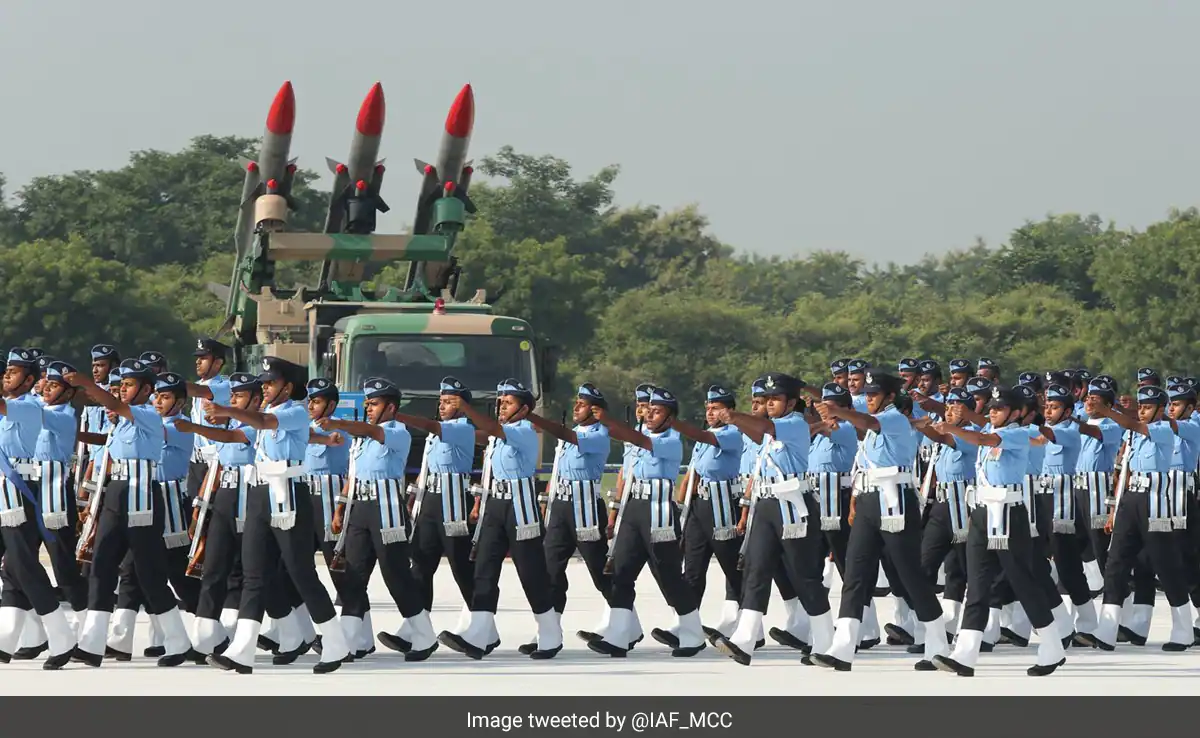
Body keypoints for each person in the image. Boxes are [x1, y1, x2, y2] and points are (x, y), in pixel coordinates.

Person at [203, 356, 352, 674]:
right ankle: (241, 651)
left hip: (288, 494)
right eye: (264, 383)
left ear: (288, 387)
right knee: (254, 574)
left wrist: (228, 411)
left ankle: (336, 641)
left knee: (301, 573)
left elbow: (266, 425)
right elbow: (248, 432)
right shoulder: (266, 414)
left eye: (270, 383)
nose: (265, 388)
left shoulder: (295, 412)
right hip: (259, 493)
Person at [811, 371, 948, 672]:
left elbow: (869, 422)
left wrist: (837, 410)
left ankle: (938, 641)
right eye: (868, 393)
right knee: (856, 571)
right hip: (869, 500)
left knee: (909, 573)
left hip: (895, 500)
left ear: (888, 397)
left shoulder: (893, 418)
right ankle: (843, 646)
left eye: (874, 393)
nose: (869, 397)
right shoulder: (875, 426)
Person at [65, 358, 195, 667]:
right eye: (121, 385)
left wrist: (85, 384)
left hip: (142, 497)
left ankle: (178, 641)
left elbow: (113, 404)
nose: (122, 390)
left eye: (129, 385)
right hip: (116, 492)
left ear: (147, 389)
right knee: (101, 566)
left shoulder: (148, 415)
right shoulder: (122, 420)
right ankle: (92, 643)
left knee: (150, 575)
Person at [712, 373, 833, 666]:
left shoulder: (794, 423)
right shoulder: (769, 429)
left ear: (791, 402)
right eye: (766, 400)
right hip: (765, 504)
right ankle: (745, 639)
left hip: (791, 504)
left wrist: (735, 416)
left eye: (775, 399)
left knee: (803, 575)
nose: (769, 404)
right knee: (756, 569)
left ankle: (827, 641)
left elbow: (765, 427)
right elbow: (760, 432)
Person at [438, 379, 560, 660]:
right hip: (495, 505)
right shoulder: (497, 436)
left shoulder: (525, 432)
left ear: (525, 409)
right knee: (484, 569)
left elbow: (492, 430)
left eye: (509, 401)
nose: (501, 405)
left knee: (531, 574)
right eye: (500, 400)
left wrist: (465, 407)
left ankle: (550, 633)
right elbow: (485, 438)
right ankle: (479, 634)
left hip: (520, 508)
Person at [318, 377, 439, 661]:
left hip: (387, 510)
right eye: (367, 404)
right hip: (359, 508)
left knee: (396, 575)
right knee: (353, 576)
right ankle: (348, 641)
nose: (369, 408)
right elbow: (352, 476)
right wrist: (340, 509)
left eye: (374, 403)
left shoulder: (398, 432)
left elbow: (372, 431)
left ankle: (424, 636)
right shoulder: (361, 440)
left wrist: (339, 424)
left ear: (391, 407)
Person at [589, 387, 706, 658]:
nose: (650, 414)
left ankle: (692, 634)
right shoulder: (640, 437)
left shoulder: (671, 440)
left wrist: (607, 420)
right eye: (648, 409)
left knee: (669, 577)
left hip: (659, 512)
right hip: (634, 507)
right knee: (621, 572)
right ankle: (618, 636)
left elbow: (636, 439)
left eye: (657, 411)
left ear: (670, 417)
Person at [1078, 385, 1194, 651]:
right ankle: (1106, 631)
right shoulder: (1133, 434)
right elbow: (1124, 472)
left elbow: (1136, 425)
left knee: (1166, 567)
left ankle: (1183, 631)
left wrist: (1107, 411)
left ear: (1161, 410)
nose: (1142, 411)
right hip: (1130, 501)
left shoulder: (1164, 429)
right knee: (1115, 563)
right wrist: (1114, 510)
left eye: (1148, 407)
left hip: (1155, 502)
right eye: (1140, 406)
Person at [381, 376, 480, 654]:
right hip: (430, 503)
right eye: (441, 401)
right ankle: (415, 628)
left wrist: (395, 414)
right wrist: (415, 499)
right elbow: (426, 468)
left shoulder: (462, 429)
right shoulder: (437, 434)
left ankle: (482, 626)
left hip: (453, 504)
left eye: (449, 402)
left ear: (462, 406)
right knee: (421, 568)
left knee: (462, 568)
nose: (442, 406)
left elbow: (429, 425)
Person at [0, 350, 78, 669]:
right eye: (6, 370)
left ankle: (60, 632)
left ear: (30, 379)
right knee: (13, 570)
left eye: (15, 371)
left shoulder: (31, 407)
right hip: (3, 491)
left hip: (19, 492)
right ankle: (9, 636)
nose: (7, 375)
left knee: (22, 566)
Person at [523, 384, 614, 652]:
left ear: (596, 410)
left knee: (599, 570)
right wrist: (546, 503)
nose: (576, 407)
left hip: (585, 507)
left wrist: (532, 417)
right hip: (560, 508)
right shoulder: (569, 435)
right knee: (550, 571)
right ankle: (549, 630)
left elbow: (569, 437)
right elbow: (558, 474)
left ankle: (624, 621)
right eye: (576, 402)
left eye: (582, 404)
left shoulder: (599, 434)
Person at [671, 385, 744, 640]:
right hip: (699, 505)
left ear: (729, 411)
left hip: (723, 503)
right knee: (692, 568)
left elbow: (708, 440)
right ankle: (687, 625)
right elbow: (692, 474)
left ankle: (746, 624)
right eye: (708, 408)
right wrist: (680, 507)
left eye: (716, 408)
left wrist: (674, 423)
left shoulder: (732, 433)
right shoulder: (705, 436)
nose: (711, 412)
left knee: (731, 565)